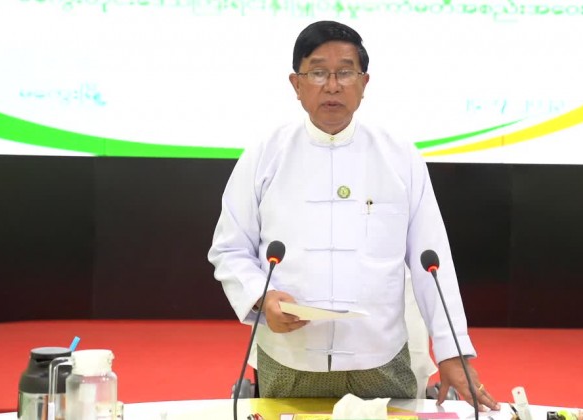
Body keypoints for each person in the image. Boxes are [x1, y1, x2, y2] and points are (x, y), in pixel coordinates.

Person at [207, 20, 499, 411]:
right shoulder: (265, 154)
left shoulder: (399, 155)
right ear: (296, 84)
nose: (332, 86)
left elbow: (432, 262)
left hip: (379, 357)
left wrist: (452, 350)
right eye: (317, 73)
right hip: (290, 357)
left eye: (345, 72)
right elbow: (229, 249)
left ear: (364, 83)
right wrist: (262, 298)